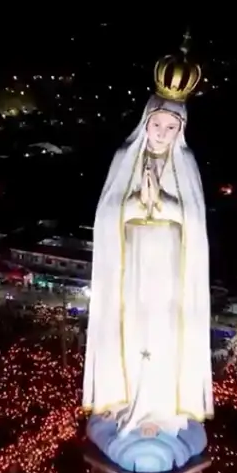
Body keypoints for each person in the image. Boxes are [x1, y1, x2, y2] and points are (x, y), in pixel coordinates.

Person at [83, 81, 213, 446]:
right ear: (145, 121)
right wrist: (139, 203)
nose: (162, 133)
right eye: (157, 124)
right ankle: (122, 398)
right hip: (131, 262)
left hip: (168, 264)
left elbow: (195, 219)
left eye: (172, 127)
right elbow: (107, 212)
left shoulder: (184, 162)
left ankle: (158, 408)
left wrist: (165, 203)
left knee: (161, 332)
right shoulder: (127, 155)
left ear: (181, 130)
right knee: (128, 326)